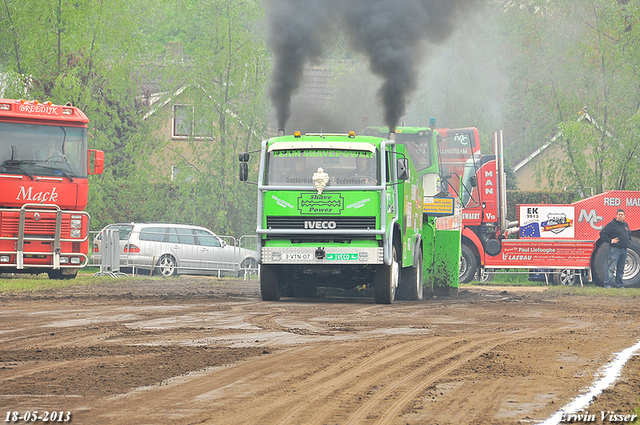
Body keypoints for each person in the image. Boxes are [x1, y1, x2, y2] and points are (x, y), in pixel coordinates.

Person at [599, 208, 631, 288]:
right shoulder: (612, 224)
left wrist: (628, 241)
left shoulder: (625, 225)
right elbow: (602, 233)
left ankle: (620, 285)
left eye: (622, 214)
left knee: (620, 269)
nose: (620, 216)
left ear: (624, 216)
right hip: (615, 250)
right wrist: (610, 240)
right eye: (619, 214)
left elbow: (629, 234)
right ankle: (607, 284)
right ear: (616, 215)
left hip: (624, 250)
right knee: (611, 268)